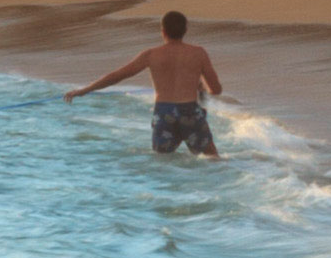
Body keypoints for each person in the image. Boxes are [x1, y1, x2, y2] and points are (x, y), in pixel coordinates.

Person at [69, 10, 229, 158]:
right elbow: (216, 90)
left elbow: (118, 75)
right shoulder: (198, 53)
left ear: (163, 31)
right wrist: (201, 86)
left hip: (164, 112)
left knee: (162, 161)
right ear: (185, 30)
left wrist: (86, 90)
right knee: (212, 158)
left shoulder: (151, 55)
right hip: (190, 111)